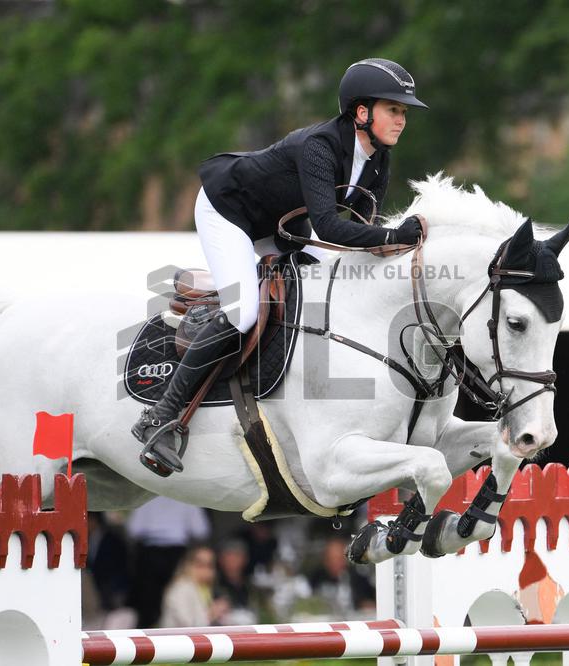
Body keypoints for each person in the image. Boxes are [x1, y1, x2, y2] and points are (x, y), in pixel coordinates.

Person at [132, 58, 429, 476]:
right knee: (243, 312)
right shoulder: (320, 146)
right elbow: (329, 226)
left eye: (403, 112)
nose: (401, 120)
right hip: (229, 212)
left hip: (281, 223)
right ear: (361, 112)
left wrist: (389, 244)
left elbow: (359, 233)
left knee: (337, 279)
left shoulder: (378, 159)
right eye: (393, 109)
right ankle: (159, 416)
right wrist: (392, 236)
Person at [126, 496, 211, 628]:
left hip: (152, 553)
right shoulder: (186, 495)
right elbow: (201, 530)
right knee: (163, 598)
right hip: (173, 552)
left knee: (165, 598)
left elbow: (134, 529)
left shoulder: (146, 495)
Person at [159, 543, 229, 628]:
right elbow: (186, 624)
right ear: (189, 565)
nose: (206, 570)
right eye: (200, 565)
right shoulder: (181, 588)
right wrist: (211, 613)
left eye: (210, 565)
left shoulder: (206, 588)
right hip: (176, 639)